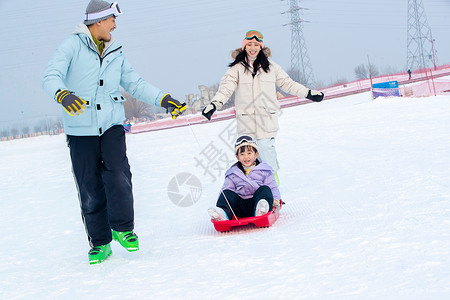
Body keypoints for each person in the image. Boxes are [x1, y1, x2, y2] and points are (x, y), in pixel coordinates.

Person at [42, 0, 185, 264]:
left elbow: (135, 83)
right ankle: (99, 243)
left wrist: (164, 99)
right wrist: (63, 95)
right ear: (98, 21)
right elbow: (50, 75)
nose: (115, 25)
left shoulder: (115, 50)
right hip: (80, 129)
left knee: (119, 173)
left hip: (111, 124)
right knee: (89, 185)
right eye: (111, 20)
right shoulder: (71, 46)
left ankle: (123, 228)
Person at [202, 30, 324, 186]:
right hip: (246, 121)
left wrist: (308, 93)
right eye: (249, 45)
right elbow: (225, 89)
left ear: (261, 47)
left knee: (266, 150)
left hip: (266, 118)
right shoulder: (237, 69)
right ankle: (251, 189)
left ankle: (273, 186)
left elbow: (288, 84)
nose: (253, 48)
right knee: (248, 155)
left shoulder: (271, 67)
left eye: (256, 45)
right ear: (244, 47)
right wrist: (214, 105)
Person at [208, 136, 281, 221]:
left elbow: (272, 187)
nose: (246, 157)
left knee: (265, 189)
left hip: (257, 203)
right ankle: (222, 213)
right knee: (226, 193)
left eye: (249, 153)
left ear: (256, 155)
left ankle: (261, 211)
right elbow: (226, 189)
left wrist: (275, 199)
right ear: (237, 157)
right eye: (242, 154)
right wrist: (222, 203)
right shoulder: (233, 173)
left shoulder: (265, 170)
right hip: (240, 207)